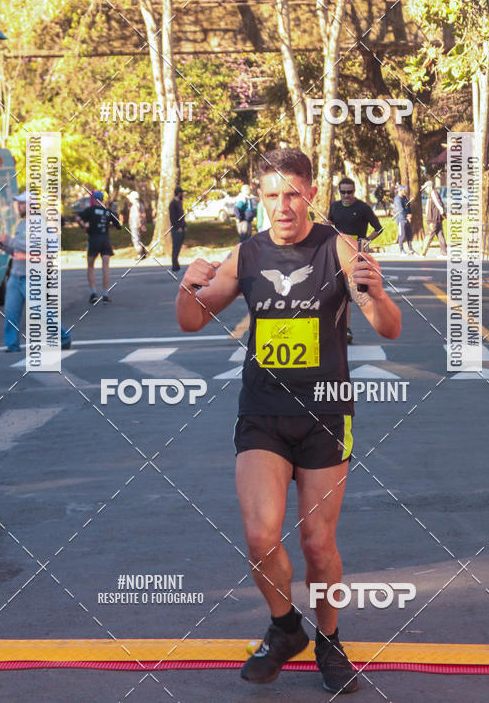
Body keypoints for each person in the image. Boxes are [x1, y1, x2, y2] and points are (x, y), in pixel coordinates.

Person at [176, 147, 401, 695]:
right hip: (263, 413)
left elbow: (389, 328)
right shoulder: (246, 255)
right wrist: (188, 283)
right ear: (260, 198)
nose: (283, 206)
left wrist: (373, 293)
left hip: (325, 413)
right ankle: (284, 628)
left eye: (293, 195)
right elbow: (190, 320)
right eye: (272, 196)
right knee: (259, 535)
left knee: (317, 544)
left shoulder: (340, 249)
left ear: (311, 194)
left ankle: (329, 640)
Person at [0, 191, 71, 351]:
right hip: (16, 275)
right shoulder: (22, 224)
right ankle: (12, 345)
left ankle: (64, 336)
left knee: (40, 311)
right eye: (19, 203)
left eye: (23, 203)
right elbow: (18, 251)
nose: (19, 206)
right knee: (11, 313)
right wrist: (5, 247)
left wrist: (10, 240)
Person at [327, 177, 384, 344]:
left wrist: (365, 241)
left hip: (358, 253)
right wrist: (327, 226)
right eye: (343, 192)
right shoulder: (335, 206)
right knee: (338, 291)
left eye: (349, 192)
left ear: (354, 192)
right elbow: (330, 223)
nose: (346, 195)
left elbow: (379, 228)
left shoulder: (363, 208)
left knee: (351, 292)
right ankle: (341, 328)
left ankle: (346, 328)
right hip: (338, 252)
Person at [76, 190, 121, 304]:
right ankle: (105, 294)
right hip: (105, 240)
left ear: (94, 200)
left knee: (90, 266)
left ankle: (93, 293)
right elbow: (118, 226)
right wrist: (109, 225)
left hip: (93, 239)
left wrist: (83, 227)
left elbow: (78, 218)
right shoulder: (108, 211)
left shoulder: (90, 210)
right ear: (103, 200)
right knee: (105, 267)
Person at [421, 182, 447, 256]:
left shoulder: (433, 193)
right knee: (440, 235)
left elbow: (438, 203)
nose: (425, 190)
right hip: (436, 219)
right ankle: (444, 253)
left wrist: (442, 212)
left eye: (426, 188)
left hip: (433, 219)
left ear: (430, 187)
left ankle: (423, 253)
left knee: (428, 235)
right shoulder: (432, 194)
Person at [393, 184, 414, 255]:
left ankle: (411, 249)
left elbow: (408, 206)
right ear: (400, 191)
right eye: (404, 190)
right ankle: (401, 250)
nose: (405, 191)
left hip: (407, 219)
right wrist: (406, 216)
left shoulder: (404, 198)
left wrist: (410, 214)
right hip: (401, 219)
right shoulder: (397, 199)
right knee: (402, 234)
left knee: (409, 234)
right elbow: (400, 210)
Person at [169, 186, 186, 272]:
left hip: (182, 228)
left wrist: (184, 226)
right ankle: (175, 266)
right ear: (178, 193)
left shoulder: (180, 202)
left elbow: (182, 216)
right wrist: (177, 227)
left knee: (179, 248)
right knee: (175, 248)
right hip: (176, 229)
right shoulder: (173, 204)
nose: (182, 194)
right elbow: (173, 218)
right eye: (181, 193)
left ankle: (177, 266)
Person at [128, 190, 147, 260]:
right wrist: (143, 223)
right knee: (138, 238)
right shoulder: (140, 204)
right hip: (137, 224)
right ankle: (143, 252)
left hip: (135, 224)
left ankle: (140, 253)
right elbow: (143, 214)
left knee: (135, 239)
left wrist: (140, 223)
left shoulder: (135, 205)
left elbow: (138, 215)